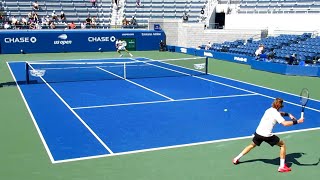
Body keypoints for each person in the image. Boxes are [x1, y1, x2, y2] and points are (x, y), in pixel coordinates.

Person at [232, 98, 304, 173]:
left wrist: (288, 114)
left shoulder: (269, 110)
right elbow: (285, 124)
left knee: (252, 145)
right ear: (281, 106)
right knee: (282, 145)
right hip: (267, 135)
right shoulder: (276, 113)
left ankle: (236, 158)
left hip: (258, 132)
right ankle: (282, 167)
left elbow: (279, 114)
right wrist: (298, 121)